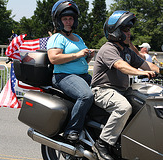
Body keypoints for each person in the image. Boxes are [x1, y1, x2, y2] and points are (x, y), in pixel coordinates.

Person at [91, 10, 160, 160]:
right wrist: (140, 73)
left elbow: (145, 64)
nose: (129, 34)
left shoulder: (127, 51)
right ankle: (101, 144)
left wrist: (162, 70)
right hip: (103, 90)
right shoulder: (108, 49)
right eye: (126, 30)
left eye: (129, 30)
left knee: (147, 106)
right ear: (115, 32)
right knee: (124, 107)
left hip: (122, 91)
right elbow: (121, 66)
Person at [47, 0, 94, 142]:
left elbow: (80, 62)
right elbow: (54, 58)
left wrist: (87, 57)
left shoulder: (78, 38)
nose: (68, 22)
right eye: (65, 19)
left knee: (104, 92)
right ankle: (71, 131)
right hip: (64, 76)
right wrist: (78, 54)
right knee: (86, 96)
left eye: (71, 18)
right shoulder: (57, 37)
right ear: (59, 21)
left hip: (82, 76)